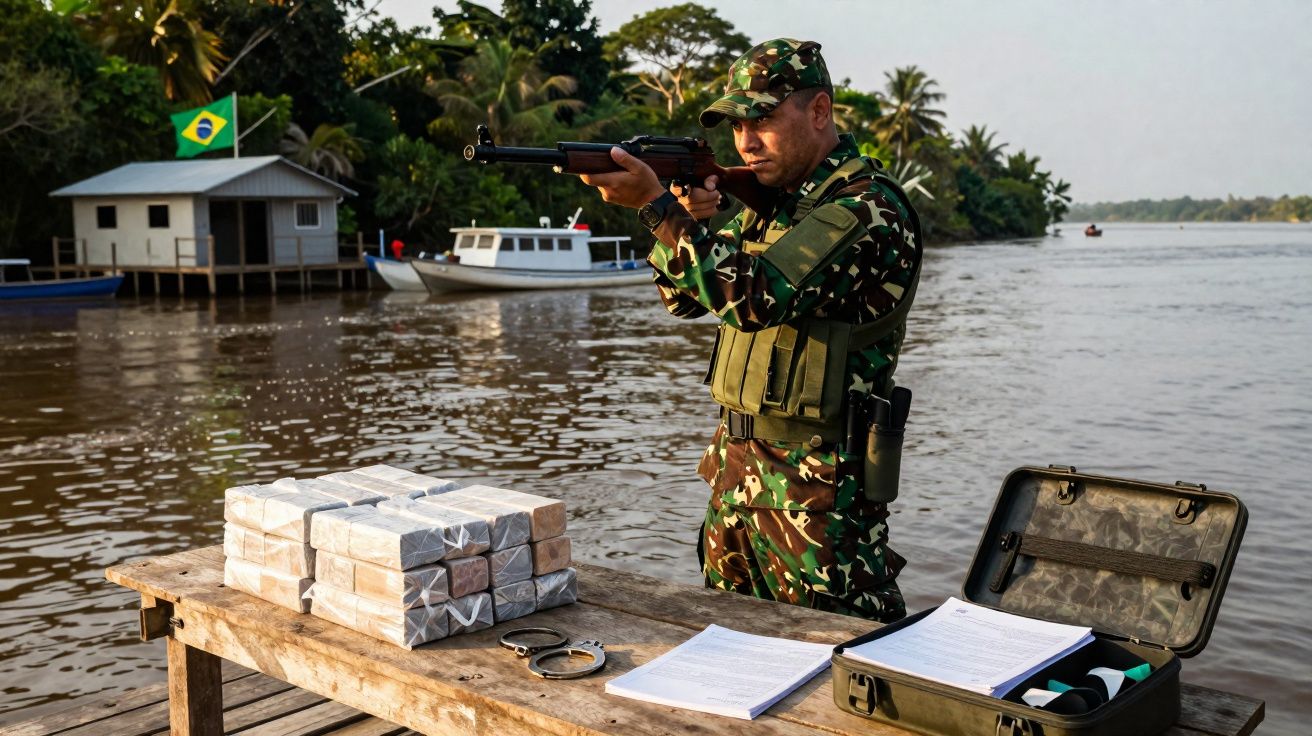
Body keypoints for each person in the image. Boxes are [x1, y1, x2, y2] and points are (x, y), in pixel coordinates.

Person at [579, 38, 920, 624]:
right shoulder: (774, 208)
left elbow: (751, 298)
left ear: (818, 112)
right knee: (731, 658)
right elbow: (684, 300)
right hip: (737, 478)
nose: (745, 140)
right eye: (737, 124)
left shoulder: (866, 208)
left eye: (762, 118)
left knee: (835, 663)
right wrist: (688, 216)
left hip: (817, 499)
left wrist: (661, 209)